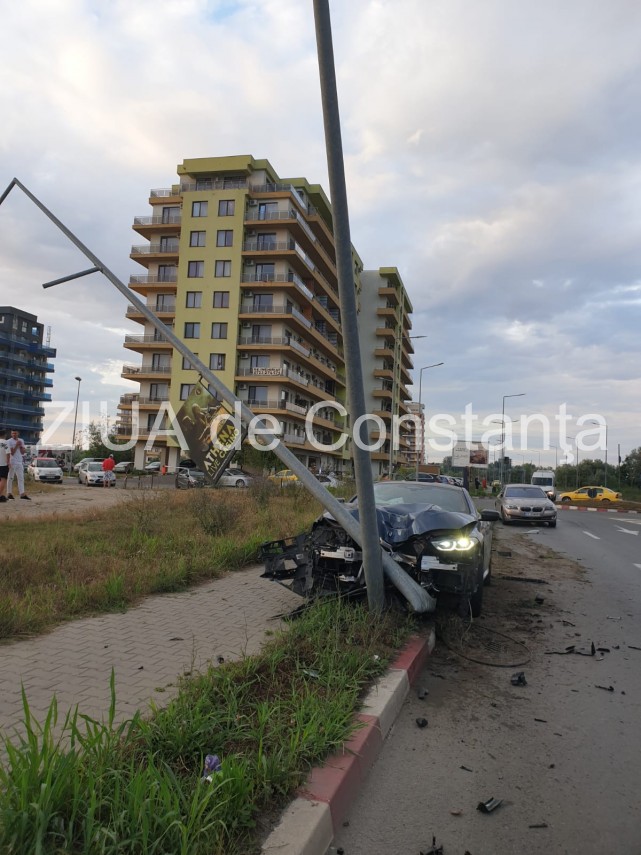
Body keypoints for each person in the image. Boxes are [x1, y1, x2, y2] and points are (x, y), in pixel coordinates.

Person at [7, 429, 29, 500]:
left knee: (21, 478)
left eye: (15, 433)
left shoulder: (21, 440)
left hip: (19, 462)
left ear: (18, 433)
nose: (14, 435)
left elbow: (23, 452)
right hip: (12, 462)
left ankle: (22, 494)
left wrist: (21, 446)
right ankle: (9, 493)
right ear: (11, 434)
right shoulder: (9, 441)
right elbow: (12, 452)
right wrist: (16, 445)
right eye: (12, 433)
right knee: (10, 478)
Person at [0, 429, 9, 503]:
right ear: (4, 435)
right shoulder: (5, 442)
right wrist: (8, 462)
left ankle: (2, 496)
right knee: (3, 480)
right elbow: (8, 453)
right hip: (3, 464)